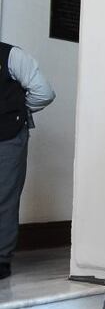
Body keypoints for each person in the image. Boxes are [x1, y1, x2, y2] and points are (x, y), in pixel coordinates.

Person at [0, 42, 54, 280]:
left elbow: (44, 92)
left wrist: (17, 112)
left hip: (7, 136)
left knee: (4, 196)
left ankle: (1, 258)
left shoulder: (11, 55)